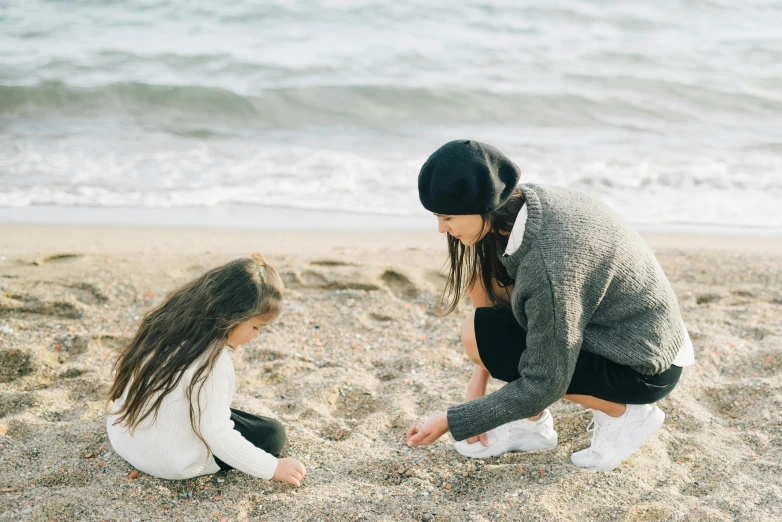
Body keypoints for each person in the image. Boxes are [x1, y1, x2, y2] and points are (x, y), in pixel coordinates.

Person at [406, 140, 694, 471]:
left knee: (492, 343)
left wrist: (453, 420)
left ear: (483, 206)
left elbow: (547, 382)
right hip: (630, 328)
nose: (442, 228)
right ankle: (532, 426)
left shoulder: (551, 268)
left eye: (447, 217)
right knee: (480, 331)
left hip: (646, 365)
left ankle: (626, 416)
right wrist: (477, 383)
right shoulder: (521, 205)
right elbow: (485, 290)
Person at [106, 254, 307, 485]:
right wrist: (273, 467)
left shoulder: (164, 324)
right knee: (272, 433)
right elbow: (218, 436)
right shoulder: (213, 364)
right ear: (233, 315)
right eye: (255, 326)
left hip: (123, 437)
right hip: (173, 461)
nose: (255, 336)